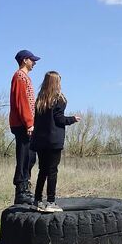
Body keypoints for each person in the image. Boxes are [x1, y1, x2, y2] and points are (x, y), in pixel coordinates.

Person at [30, 71, 80, 212]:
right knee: (52, 171)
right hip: (53, 141)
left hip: (40, 141)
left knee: (42, 171)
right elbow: (59, 119)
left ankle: (37, 200)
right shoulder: (59, 99)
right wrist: (72, 119)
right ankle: (51, 202)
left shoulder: (40, 99)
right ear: (57, 83)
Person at [9, 50, 40, 205]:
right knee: (24, 157)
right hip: (23, 124)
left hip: (26, 124)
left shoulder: (25, 77)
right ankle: (21, 190)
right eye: (32, 60)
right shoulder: (20, 76)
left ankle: (25, 188)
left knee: (31, 156)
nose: (34, 63)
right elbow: (22, 102)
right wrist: (29, 123)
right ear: (25, 60)